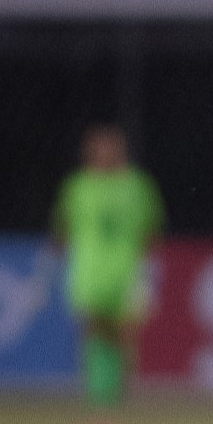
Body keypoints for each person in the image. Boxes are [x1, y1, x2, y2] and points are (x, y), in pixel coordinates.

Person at [51, 123, 163, 409]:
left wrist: (145, 265)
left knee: (123, 334)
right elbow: (62, 229)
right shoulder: (78, 187)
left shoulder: (137, 186)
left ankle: (116, 393)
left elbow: (152, 231)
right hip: (89, 272)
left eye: (111, 148)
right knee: (95, 333)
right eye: (99, 149)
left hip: (127, 271)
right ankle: (100, 400)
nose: (105, 154)